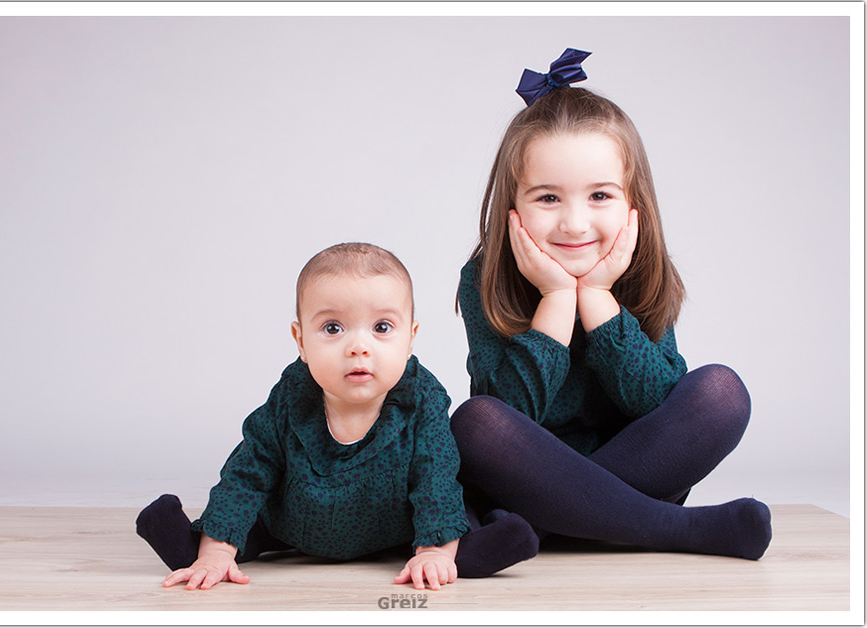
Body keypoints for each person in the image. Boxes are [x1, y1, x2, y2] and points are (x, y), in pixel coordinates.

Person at [451, 49, 772, 560]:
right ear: (513, 206)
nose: (575, 224)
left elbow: (659, 403)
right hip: (524, 475)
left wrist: (599, 300)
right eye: (548, 199)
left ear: (631, 202)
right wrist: (557, 300)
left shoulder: (641, 266)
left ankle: (548, 526)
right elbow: (511, 413)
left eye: (599, 196)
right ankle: (675, 529)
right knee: (476, 422)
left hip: (643, 468)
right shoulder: (486, 275)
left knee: (720, 394)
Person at [137, 242, 538, 591]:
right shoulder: (290, 398)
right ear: (301, 342)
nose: (358, 346)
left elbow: (435, 476)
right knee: (238, 526)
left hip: (393, 529)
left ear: (410, 338)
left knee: (446, 526)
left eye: (382, 327)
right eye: (333, 328)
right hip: (294, 524)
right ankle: (201, 550)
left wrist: (433, 550)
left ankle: (467, 550)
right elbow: (247, 471)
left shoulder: (421, 401)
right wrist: (217, 550)